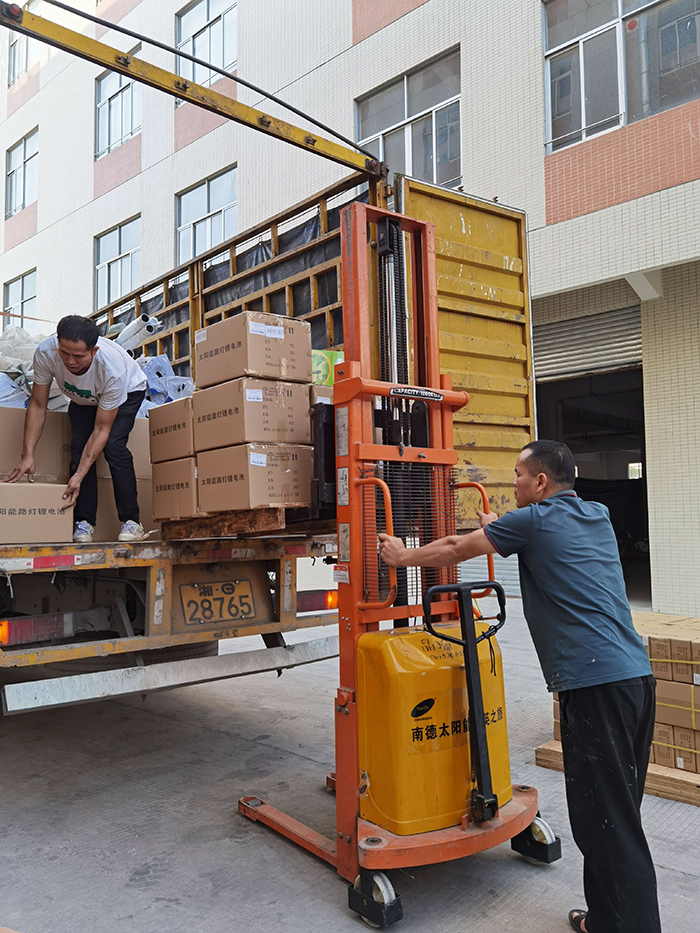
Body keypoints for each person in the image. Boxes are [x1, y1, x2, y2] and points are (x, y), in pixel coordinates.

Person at [379, 440, 659, 933]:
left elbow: (452, 548)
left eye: (518, 476)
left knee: (610, 826)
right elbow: (531, 535)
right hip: (636, 679)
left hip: (595, 687)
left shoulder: (532, 522)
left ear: (541, 483)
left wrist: (401, 557)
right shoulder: (595, 515)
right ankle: (607, 920)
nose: (512, 484)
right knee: (612, 814)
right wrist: (499, 528)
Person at [7, 314, 148, 544]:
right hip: (84, 398)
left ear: (93, 351)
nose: (70, 361)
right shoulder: (46, 352)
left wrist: (79, 476)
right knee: (77, 450)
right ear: (57, 343)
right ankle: (84, 523)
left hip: (127, 393)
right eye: (64, 353)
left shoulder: (113, 371)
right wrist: (28, 455)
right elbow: (38, 404)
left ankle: (132, 521)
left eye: (78, 356)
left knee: (113, 447)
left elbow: (102, 429)